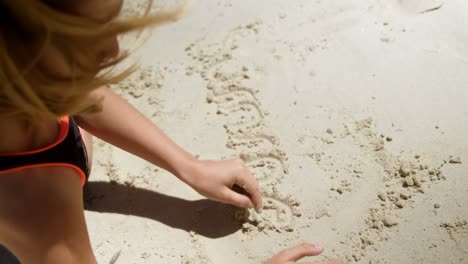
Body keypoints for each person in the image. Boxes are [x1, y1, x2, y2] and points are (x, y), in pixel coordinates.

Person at [0, 1, 342, 263]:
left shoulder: (21, 81)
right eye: (91, 35)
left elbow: (81, 94)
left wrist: (188, 165)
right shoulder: (38, 203)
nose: (114, 50)